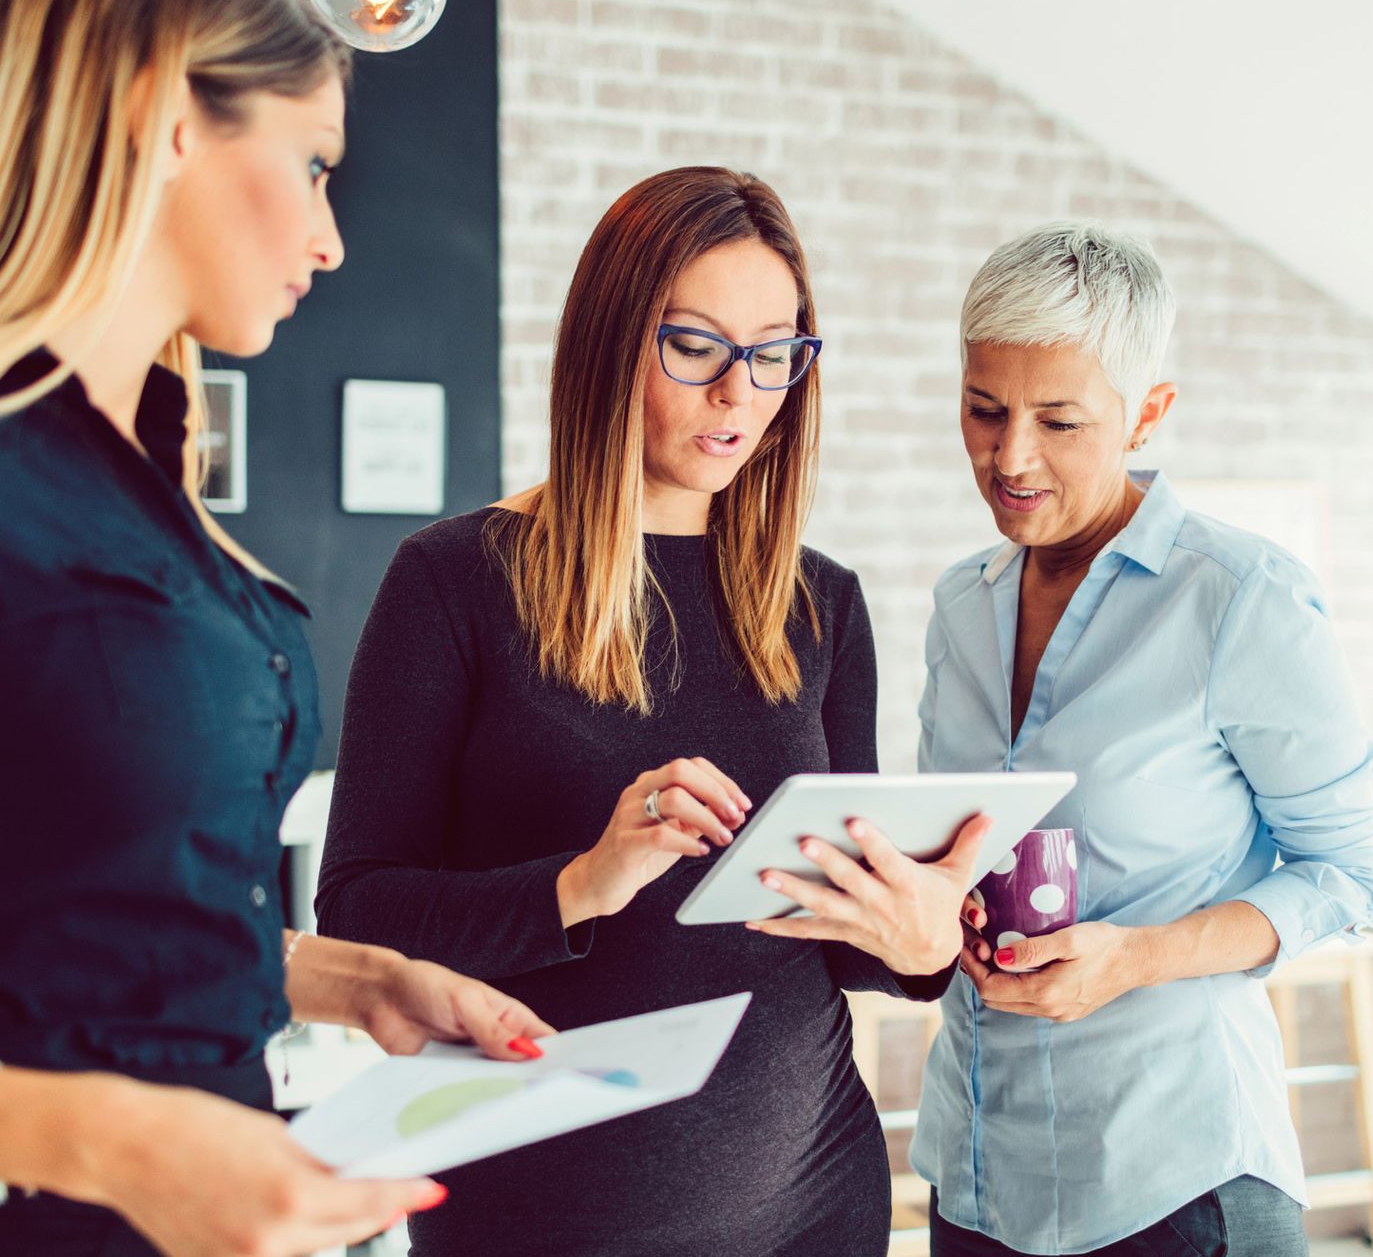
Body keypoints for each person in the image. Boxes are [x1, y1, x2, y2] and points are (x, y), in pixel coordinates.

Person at [0, 0, 549, 1254]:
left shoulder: (152, 484)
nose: (331, 237)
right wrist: (104, 1137)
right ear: (166, 116)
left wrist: (361, 979)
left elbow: (85, 907)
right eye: (311, 164)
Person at [317, 165, 993, 1257]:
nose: (741, 391)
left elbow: (836, 936)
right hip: (542, 1213)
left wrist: (918, 942)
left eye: (775, 352)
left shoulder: (821, 603)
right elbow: (358, 915)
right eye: (697, 346)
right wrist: (579, 884)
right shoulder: (453, 581)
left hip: (814, 1204)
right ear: (609, 339)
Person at [909, 222, 1373, 1256]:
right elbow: (946, 849)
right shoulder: (962, 605)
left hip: (1176, 1181)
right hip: (979, 1173)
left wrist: (1140, 956)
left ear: (1148, 414)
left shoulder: (1241, 600)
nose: (1011, 456)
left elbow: (1349, 872)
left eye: (1061, 420)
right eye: (984, 409)